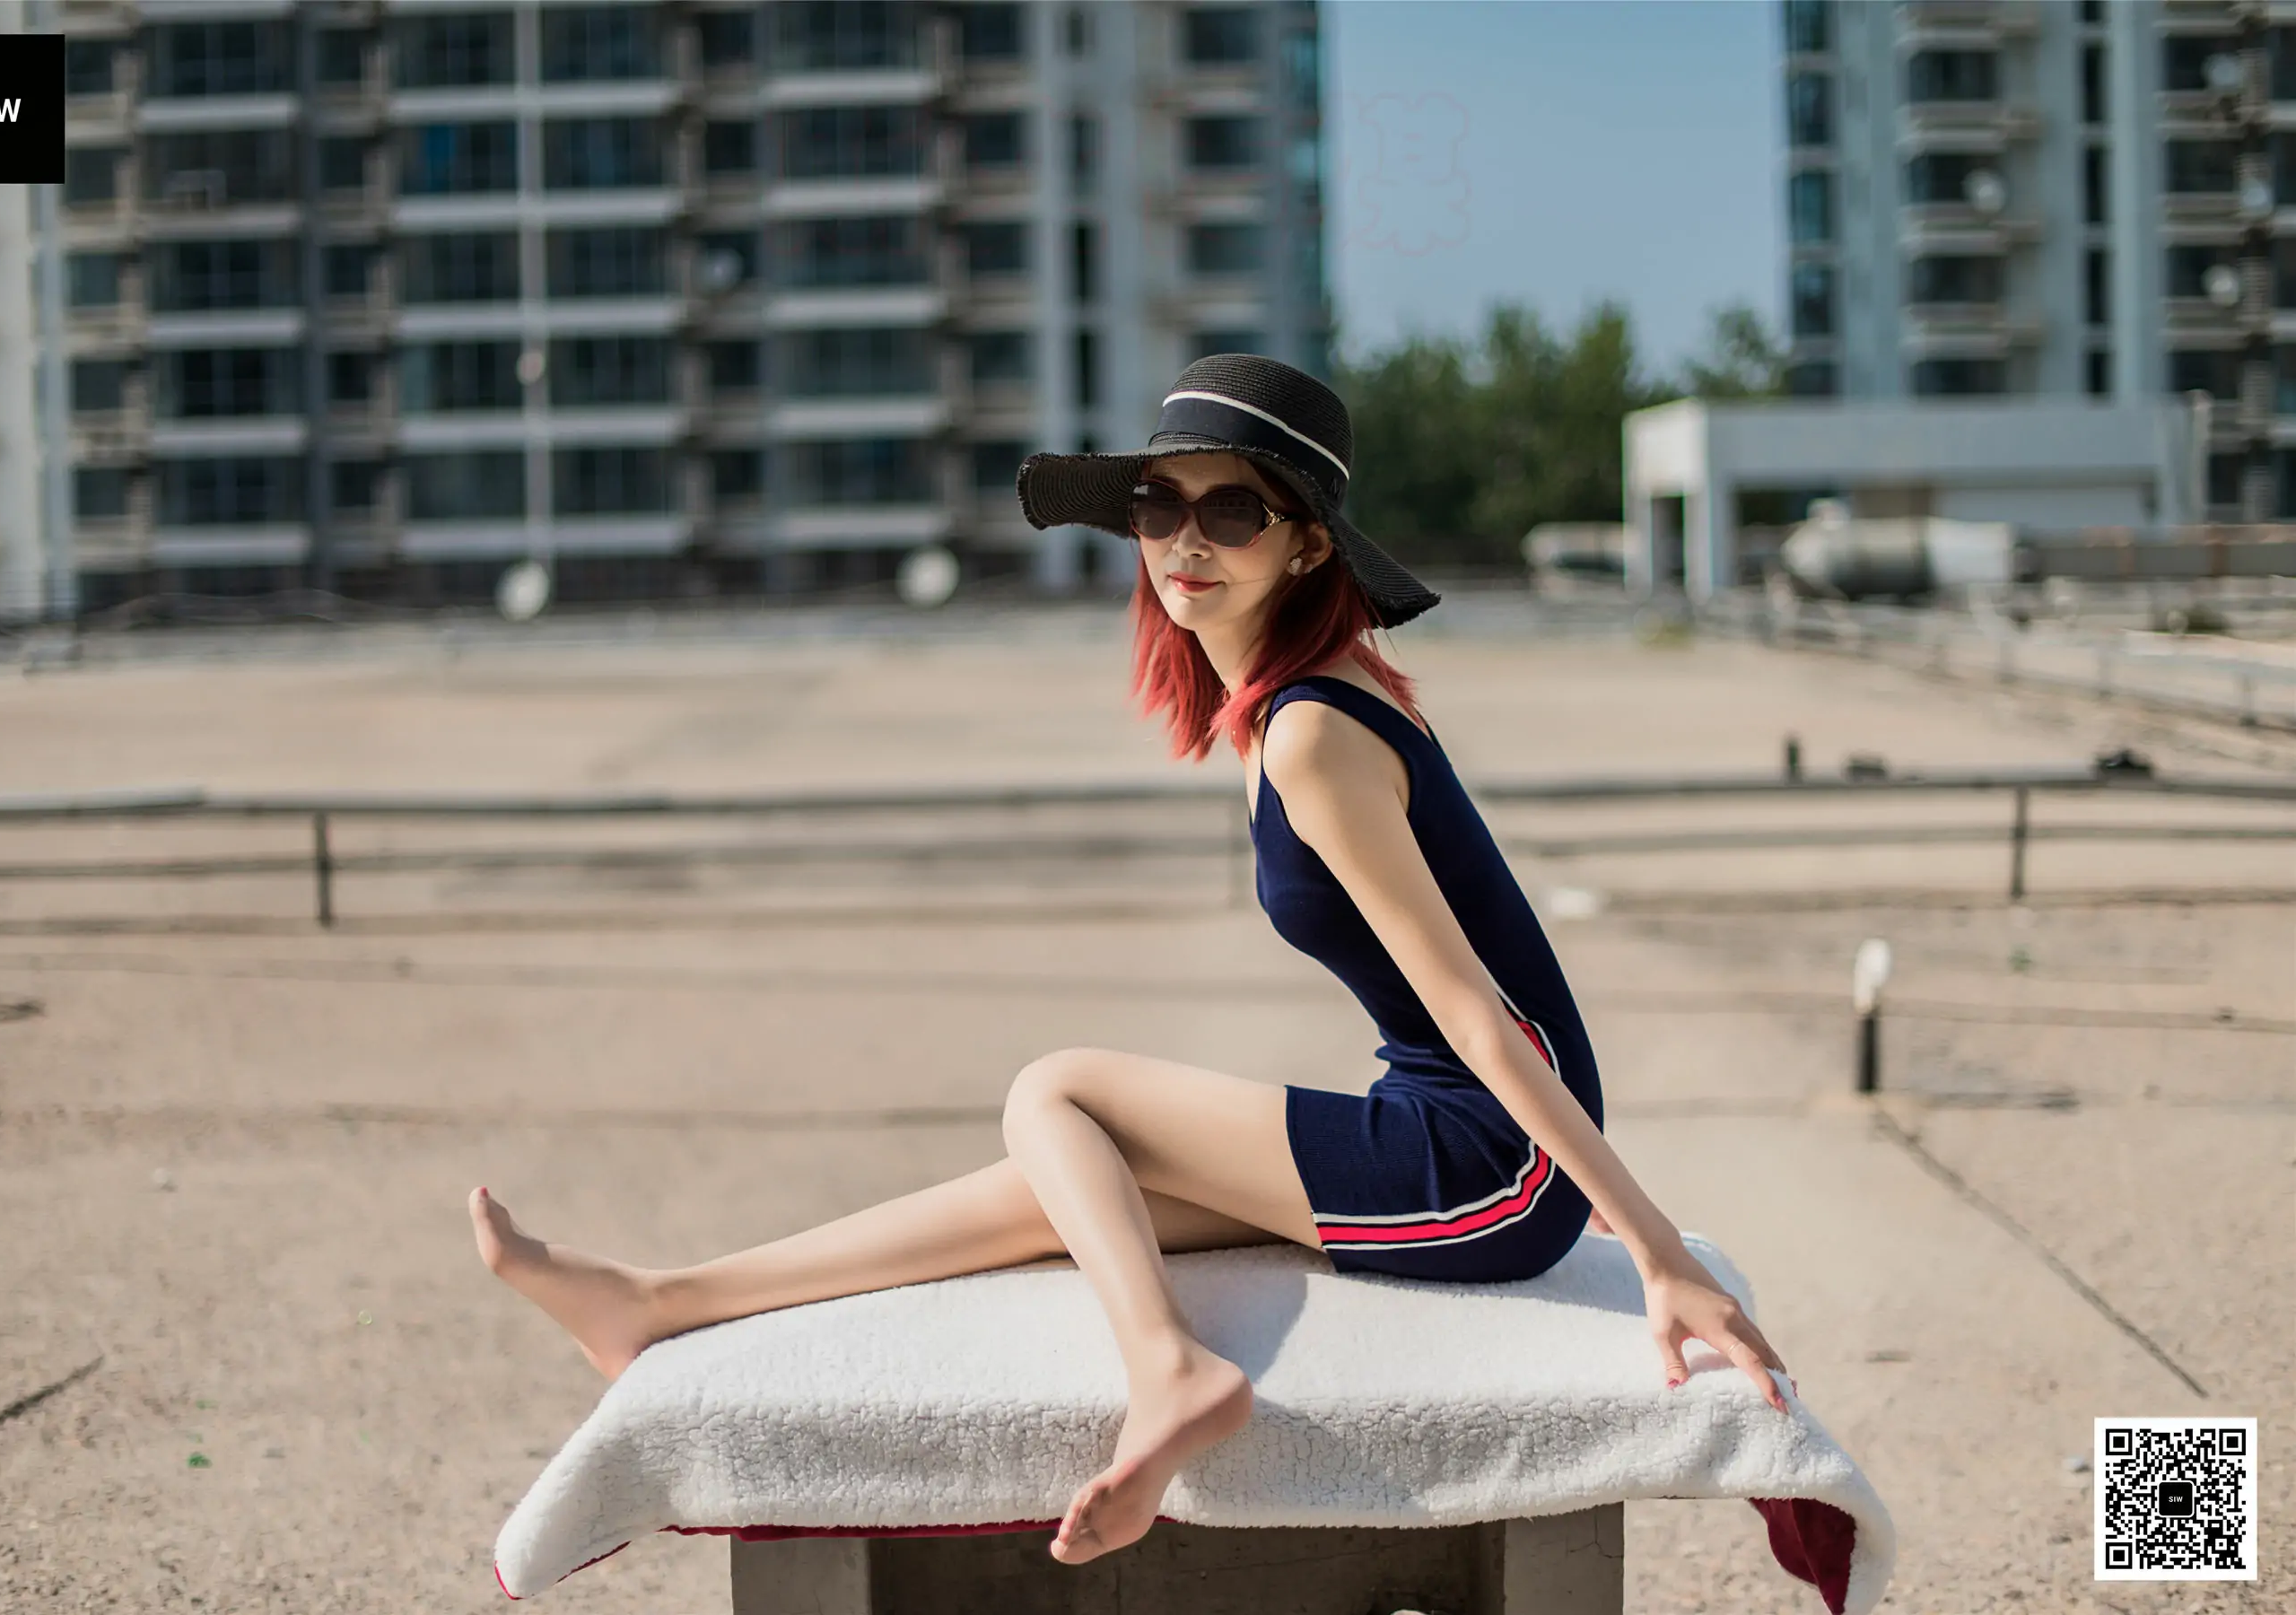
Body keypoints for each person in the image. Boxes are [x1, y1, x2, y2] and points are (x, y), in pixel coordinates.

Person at [468, 354, 1794, 1569]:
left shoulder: (1312, 732)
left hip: (1482, 1171)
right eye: (1160, 505)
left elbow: (1478, 1011)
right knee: (1060, 1186)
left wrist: (1653, 1247)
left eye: (1232, 512)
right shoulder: (1297, 698)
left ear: (1306, 542)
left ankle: (1170, 1373)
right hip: (1459, 1138)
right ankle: (663, 1300)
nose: (1184, 541)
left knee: (1058, 1091)